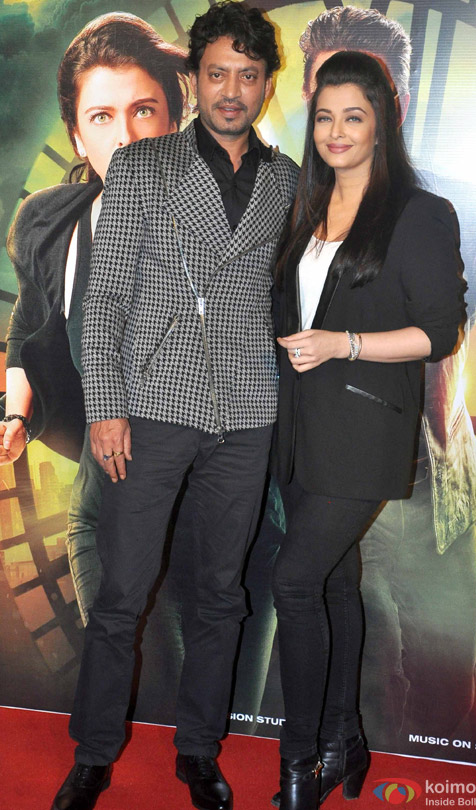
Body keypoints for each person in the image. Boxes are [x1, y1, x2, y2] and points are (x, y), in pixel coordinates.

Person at [50, 3, 298, 810]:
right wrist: (106, 407)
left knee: (222, 597)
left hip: (246, 411)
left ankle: (198, 750)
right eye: (217, 72)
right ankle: (94, 754)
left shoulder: (286, 180)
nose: (231, 90)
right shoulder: (143, 166)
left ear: (265, 85)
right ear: (194, 80)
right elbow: (106, 298)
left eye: (248, 76)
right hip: (152, 406)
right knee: (121, 597)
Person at [296, 5, 476, 750]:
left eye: (365, 87)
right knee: (344, 687)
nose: (344, 105)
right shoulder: (283, 203)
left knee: (438, 699)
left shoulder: (457, 207)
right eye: (327, 87)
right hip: (315, 479)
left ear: (395, 99)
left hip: (430, 489)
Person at [270, 50, 464, 809]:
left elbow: (439, 332)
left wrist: (343, 344)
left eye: (353, 116)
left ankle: (299, 762)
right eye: (324, 117)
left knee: (294, 581)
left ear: (383, 122)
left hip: (364, 432)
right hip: (298, 433)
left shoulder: (418, 213)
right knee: (334, 583)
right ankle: (344, 737)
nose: (336, 131)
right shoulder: (304, 206)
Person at [1, 12, 189, 627]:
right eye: (101, 117)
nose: (126, 137)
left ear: (174, 118)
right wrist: (15, 415)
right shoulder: (52, 225)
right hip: (107, 509)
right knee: (128, 672)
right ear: (78, 138)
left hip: (224, 518)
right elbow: (29, 326)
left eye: (143, 110)